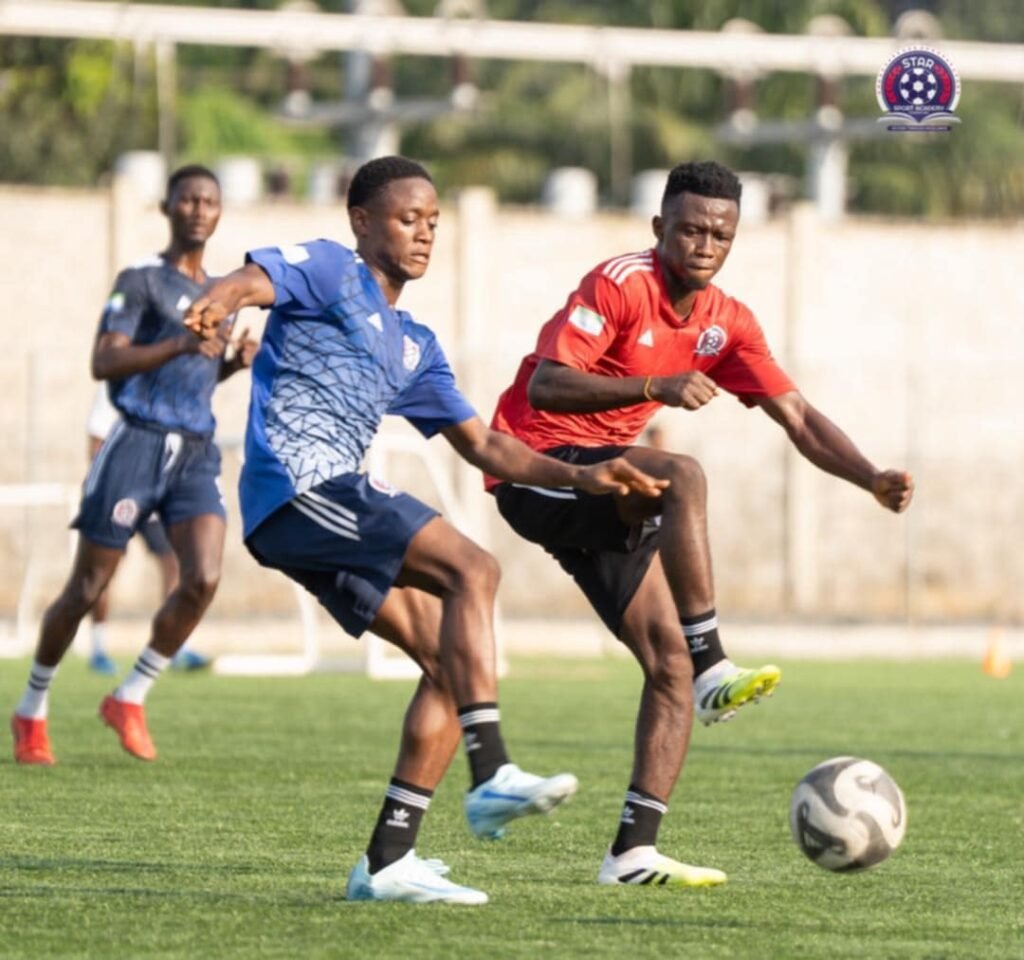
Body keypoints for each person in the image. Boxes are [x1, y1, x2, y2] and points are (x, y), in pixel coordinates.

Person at [182, 155, 667, 906]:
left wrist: (584, 476)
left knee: (447, 659)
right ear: (362, 221)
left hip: (322, 512)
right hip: (300, 490)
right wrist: (217, 301)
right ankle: (492, 770)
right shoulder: (330, 269)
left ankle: (386, 862)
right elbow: (249, 282)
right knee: (475, 569)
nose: (424, 233)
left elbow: (488, 447)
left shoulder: (414, 344)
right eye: (409, 218)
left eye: (434, 221)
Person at [487, 160, 915, 888]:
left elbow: (799, 417)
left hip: (611, 485)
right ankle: (715, 660)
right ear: (660, 227)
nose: (705, 244)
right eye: (690, 229)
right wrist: (655, 385)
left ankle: (632, 852)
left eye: (721, 234)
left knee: (668, 668)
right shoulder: (619, 284)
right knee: (681, 475)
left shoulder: (728, 323)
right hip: (538, 468)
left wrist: (869, 476)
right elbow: (547, 385)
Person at [10, 164, 257, 766]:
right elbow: (104, 361)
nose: (198, 209)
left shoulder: (221, 293)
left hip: (194, 451)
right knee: (87, 586)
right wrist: (179, 341)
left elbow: (196, 375)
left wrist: (231, 363)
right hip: (136, 443)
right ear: (167, 208)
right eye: (187, 199)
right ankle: (32, 706)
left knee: (203, 577)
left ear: (220, 213)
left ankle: (130, 696)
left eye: (209, 201)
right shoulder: (141, 281)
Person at [83, 382, 210, 675]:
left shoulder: (168, 386)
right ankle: (99, 649)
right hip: (117, 496)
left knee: (174, 562)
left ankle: (174, 645)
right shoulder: (114, 386)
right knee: (103, 571)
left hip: (153, 499)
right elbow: (96, 444)